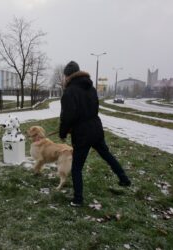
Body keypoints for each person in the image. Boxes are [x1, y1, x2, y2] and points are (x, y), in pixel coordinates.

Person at [59, 61, 131, 207]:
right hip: (96, 129)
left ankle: (78, 199)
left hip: (82, 134)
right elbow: (94, 108)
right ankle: (124, 179)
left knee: (77, 167)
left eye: (65, 76)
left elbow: (68, 116)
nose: (65, 79)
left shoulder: (70, 91)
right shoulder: (90, 88)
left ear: (68, 76)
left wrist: (63, 132)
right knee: (107, 155)